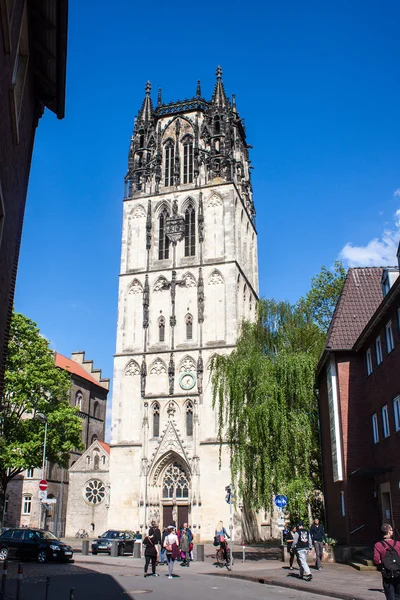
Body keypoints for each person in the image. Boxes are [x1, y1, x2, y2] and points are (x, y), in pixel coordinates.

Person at [373, 523, 400, 600]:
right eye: (391, 529)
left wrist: (383, 561)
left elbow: (376, 560)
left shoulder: (378, 545)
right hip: (398, 572)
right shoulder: (398, 544)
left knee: (390, 595)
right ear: (389, 532)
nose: (392, 531)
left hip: (387, 573)